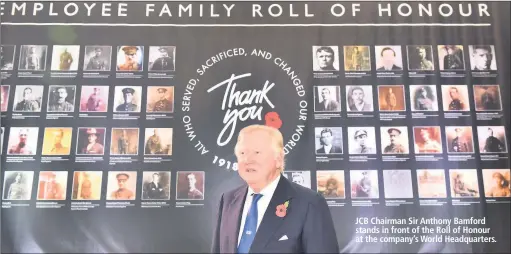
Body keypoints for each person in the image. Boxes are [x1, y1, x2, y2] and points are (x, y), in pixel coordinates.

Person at [212, 125, 339, 253]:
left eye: (257, 152)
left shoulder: (309, 203)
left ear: (278, 159)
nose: (247, 160)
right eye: (242, 153)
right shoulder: (227, 200)